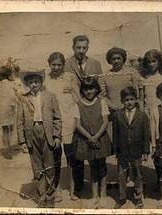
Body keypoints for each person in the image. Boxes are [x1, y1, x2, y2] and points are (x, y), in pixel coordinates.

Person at [64, 35, 104, 192]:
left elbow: (101, 86)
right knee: (77, 149)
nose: (81, 50)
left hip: (93, 109)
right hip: (74, 109)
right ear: (73, 47)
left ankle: (99, 184)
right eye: (78, 47)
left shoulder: (95, 63)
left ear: (88, 48)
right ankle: (78, 185)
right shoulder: (66, 64)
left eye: (84, 48)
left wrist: (97, 105)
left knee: (96, 149)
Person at [17, 70, 62, 207]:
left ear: (41, 83)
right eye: (30, 82)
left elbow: (57, 118)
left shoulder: (50, 96)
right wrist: (22, 141)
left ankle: (50, 194)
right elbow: (19, 121)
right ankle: (42, 195)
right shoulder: (23, 99)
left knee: (49, 164)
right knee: (37, 166)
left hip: (46, 131)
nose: (34, 85)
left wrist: (57, 136)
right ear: (27, 84)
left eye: (36, 82)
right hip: (32, 133)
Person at [44, 52, 79, 202]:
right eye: (54, 64)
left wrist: (72, 90)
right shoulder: (46, 80)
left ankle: (73, 190)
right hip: (54, 125)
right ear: (49, 64)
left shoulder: (70, 77)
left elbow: (79, 98)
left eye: (59, 64)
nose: (56, 67)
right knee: (55, 158)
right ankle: (57, 190)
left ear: (63, 64)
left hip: (70, 122)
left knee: (72, 158)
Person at [72, 77, 112, 208]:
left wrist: (96, 136)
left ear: (96, 89)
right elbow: (78, 125)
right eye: (86, 89)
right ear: (82, 90)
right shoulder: (78, 104)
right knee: (93, 167)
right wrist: (90, 137)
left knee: (102, 166)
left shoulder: (102, 102)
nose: (89, 91)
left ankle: (103, 195)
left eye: (92, 88)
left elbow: (105, 121)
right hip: (86, 139)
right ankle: (94, 196)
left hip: (101, 138)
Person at [139, 49, 162, 190]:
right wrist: (142, 115)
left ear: (159, 61)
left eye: (154, 61)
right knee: (155, 148)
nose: (152, 64)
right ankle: (160, 178)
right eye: (149, 62)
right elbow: (141, 99)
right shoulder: (144, 79)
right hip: (149, 116)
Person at [113, 86, 150, 209]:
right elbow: (115, 133)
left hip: (137, 150)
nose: (129, 102)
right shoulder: (118, 115)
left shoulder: (142, 115)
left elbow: (146, 134)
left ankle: (138, 197)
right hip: (122, 150)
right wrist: (116, 150)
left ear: (136, 100)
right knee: (122, 175)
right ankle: (122, 197)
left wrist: (145, 151)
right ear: (122, 101)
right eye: (126, 100)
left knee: (137, 174)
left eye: (131, 99)